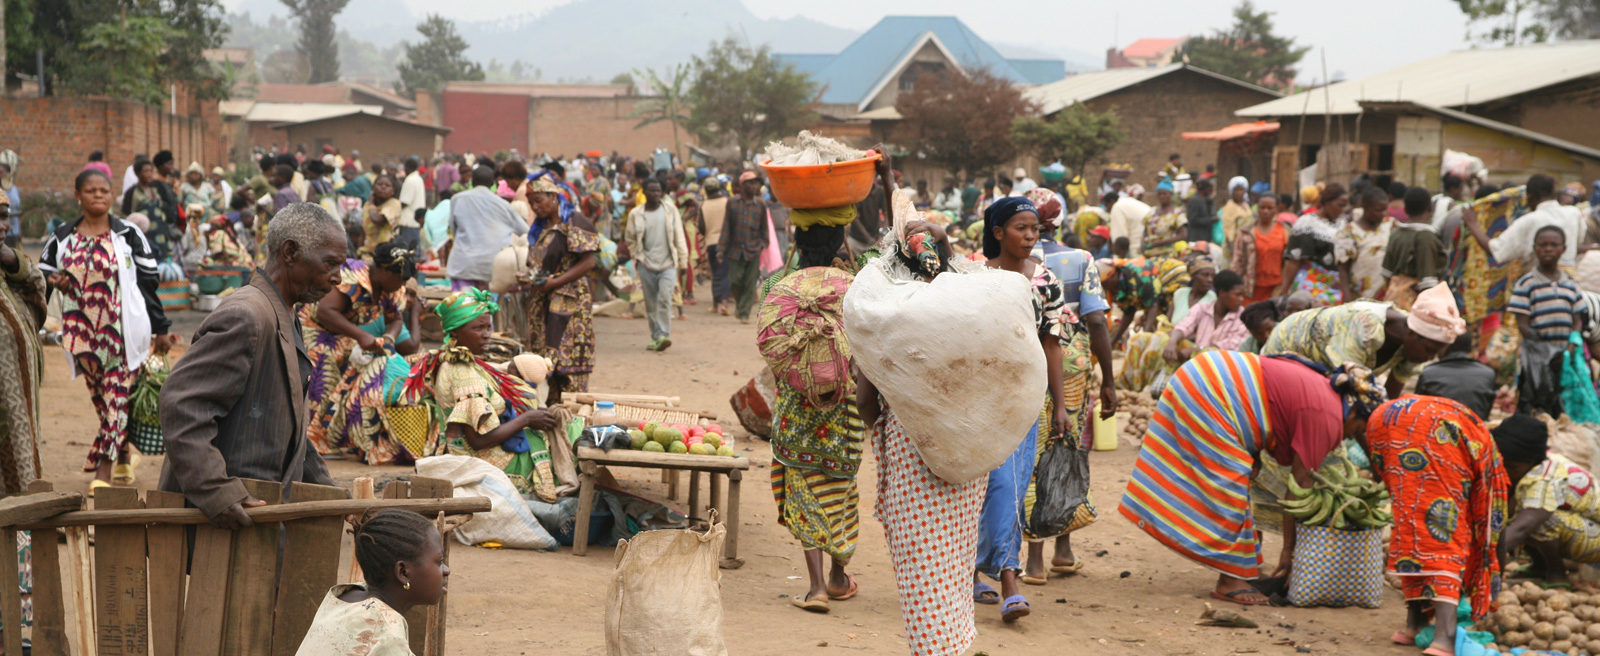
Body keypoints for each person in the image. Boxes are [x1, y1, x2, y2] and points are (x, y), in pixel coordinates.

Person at [1120, 352, 1386, 606]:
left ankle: (1240, 568)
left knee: (1242, 475)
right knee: (1230, 483)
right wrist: (1289, 552)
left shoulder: (1322, 389)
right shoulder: (1327, 417)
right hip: (1211, 390)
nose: (1352, 437)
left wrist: (1254, 451)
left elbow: (1268, 399)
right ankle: (1231, 582)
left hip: (1207, 374)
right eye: (1359, 429)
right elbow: (1297, 490)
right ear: (1354, 413)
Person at [158, 202, 342, 529]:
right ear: (290, 253)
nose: (337, 277)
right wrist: (216, 490)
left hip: (258, 508)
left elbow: (290, 427)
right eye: (330, 263)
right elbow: (182, 403)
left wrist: (328, 491)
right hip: (226, 519)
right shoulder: (247, 316)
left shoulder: (283, 313)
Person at [855, 215, 988, 655]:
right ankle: (953, 643)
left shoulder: (889, 312)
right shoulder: (972, 306)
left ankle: (934, 649)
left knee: (921, 569)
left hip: (912, 452)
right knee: (953, 560)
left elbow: (866, 401)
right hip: (969, 450)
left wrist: (894, 427)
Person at [40, 170, 173, 492]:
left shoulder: (127, 235)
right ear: (78, 195)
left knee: (116, 399)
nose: (98, 195)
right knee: (104, 401)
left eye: (103, 190)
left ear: (111, 195)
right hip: (81, 336)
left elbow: (147, 284)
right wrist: (53, 286)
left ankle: (104, 470)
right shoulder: (62, 237)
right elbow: (40, 282)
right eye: (90, 190)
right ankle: (124, 452)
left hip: (121, 335)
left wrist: (161, 328)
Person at [970, 196, 1068, 624]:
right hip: (974, 398)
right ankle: (970, 570)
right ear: (997, 233)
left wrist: (1060, 404)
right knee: (974, 487)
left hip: (1023, 399)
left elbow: (1052, 346)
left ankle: (1009, 579)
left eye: (1035, 230)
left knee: (1009, 486)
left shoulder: (1045, 282)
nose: (1031, 236)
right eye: (1021, 229)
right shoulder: (971, 277)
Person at [1021, 189, 1118, 586]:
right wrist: (1109, 380)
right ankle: (1061, 550)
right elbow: (1096, 321)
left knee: (1032, 453)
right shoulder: (1081, 260)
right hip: (1072, 364)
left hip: (1027, 359)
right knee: (1067, 449)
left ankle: (1035, 560)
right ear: (1060, 222)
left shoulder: (1015, 259)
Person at [1364, 394, 1506, 654]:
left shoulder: (1477, 434)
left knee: (1413, 526)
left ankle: (1415, 624)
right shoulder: (1487, 454)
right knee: (1442, 533)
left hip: (1383, 421)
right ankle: (1445, 637)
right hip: (1435, 429)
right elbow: (1491, 533)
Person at [408, 289, 559, 492]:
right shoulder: (463, 374)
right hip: (485, 462)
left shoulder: (453, 360)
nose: (487, 335)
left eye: (489, 327)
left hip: (462, 454)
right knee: (567, 437)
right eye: (479, 328)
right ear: (455, 331)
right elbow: (479, 440)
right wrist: (527, 419)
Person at [302, 242, 418, 462]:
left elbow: (396, 319)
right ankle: (314, 440)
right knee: (326, 369)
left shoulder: (391, 289)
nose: (403, 284)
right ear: (383, 270)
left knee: (361, 368)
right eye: (400, 278)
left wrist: (389, 337)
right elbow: (326, 312)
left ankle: (336, 434)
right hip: (316, 329)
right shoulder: (354, 279)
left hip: (344, 333)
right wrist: (360, 336)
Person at [1263, 282, 1456, 400]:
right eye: (1429, 350)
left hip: (1322, 370)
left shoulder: (1412, 350)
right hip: (1287, 354)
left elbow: (1388, 397)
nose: (1429, 358)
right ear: (1414, 334)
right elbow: (1351, 392)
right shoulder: (1363, 326)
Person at [295, 509, 448, 656]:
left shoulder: (344, 596)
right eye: (439, 561)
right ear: (403, 572)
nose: (446, 570)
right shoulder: (386, 632)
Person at [523, 171, 600, 405]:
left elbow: (589, 262)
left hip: (570, 301)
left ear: (554, 197)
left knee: (570, 363)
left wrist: (555, 282)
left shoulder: (574, 222)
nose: (535, 206)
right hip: (544, 301)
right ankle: (553, 408)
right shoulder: (541, 228)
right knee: (548, 365)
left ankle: (572, 416)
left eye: (539, 200)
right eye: (531, 202)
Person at [1498, 415, 1600, 584]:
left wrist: (1485, 558)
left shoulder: (1546, 479)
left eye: (1511, 467)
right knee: (1515, 507)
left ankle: (1557, 574)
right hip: (1583, 526)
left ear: (1529, 461)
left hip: (1595, 536)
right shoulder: (1534, 462)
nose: (1505, 471)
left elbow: (1521, 528)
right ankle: (1540, 567)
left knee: (1538, 520)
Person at [1507, 225, 1590, 417]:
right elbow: (1523, 325)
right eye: (1543, 245)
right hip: (1538, 356)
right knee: (1538, 399)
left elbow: (1577, 320)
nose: (1548, 249)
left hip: (1566, 354)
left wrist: (1571, 345)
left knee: (1564, 402)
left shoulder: (1570, 284)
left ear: (1563, 248)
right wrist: (1547, 352)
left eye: (1554, 245)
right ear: (1535, 248)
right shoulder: (1526, 284)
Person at [0, 201, 45, 495]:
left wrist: (13, 262)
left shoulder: (9, 272)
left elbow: (37, 288)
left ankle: (21, 543)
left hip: (18, 426)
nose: (2, 225)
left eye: (3, 217)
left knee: (22, 510)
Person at [1463, 174, 1587, 268]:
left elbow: (1496, 250)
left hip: (1540, 286)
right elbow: (1578, 241)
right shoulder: (1574, 213)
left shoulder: (1529, 221)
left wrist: (1472, 224)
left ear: (1529, 197)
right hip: (1570, 282)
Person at [626, 179, 687, 351]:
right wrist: (636, 255)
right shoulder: (636, 214)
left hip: (668, 264)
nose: (655, 194)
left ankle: (664, 335)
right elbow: (630, 238)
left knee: (665, 299)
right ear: (644, 193)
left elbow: (679, 236)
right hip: (646, 264)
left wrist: (683, 261)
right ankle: (655, 336)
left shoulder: (670, 210)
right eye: (652, 191)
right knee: (651, 303)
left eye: (658, 191)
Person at [447, 166, 526, 291]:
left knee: (464, 307)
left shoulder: (457, 199)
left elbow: (453, 230)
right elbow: (524, 231)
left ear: (472, 181)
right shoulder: (503, 205)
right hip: (491, 267)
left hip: (463, 264)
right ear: (493, 183)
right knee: (487, 307)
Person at [1278, 183, 1348, 304]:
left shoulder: (1344, 224)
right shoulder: (1306, 223)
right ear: (1326, 202)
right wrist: (1284, 290)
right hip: (1311, 282)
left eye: (1344, 207)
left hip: (1337, 285)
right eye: (1339, 205)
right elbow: (1294, 260)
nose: (1342, 210)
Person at [1164, 269, 1249, 363]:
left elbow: (1226, 348)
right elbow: (1184, 326)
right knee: (1160, 339)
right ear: (1222, 293)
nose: (1241, 300)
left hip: (1223, 366)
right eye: (1237, 295)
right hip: (1196, 363)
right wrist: (1172, 342)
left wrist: (1194, 351)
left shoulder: (1244, 317)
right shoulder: (1202, 309)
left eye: (1242, 295)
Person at [721, 171, 770, 322]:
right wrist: (721, 249)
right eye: (750, 183)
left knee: (750, 283)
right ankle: (739, 304)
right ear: (742, 186)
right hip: (735, 250)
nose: (754, 186)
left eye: (756, 183)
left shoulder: (760, 205)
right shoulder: (732, 203)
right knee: (735, 281)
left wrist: (763, 243)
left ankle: (744, 313)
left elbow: (764, 227)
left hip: (754, 249)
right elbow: (726, 227)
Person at [1415, 333, 1497, 420]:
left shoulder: (1429, 373)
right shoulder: (1488, 374)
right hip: (1473, 430)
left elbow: (1417, 411)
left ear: (1445, 346)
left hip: (1435, 430)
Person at [1335, 186, 1394, 301]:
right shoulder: (1349, 232)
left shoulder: (1391, 225)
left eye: (1385, 209)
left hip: (1388, 295)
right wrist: (1347, 300)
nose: (1383, 213)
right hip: (1360, 296)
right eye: (1378, 210)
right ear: (1365, 207)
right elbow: (1343, 269)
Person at [1232, 193, 1289, 304]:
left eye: (1269, 208)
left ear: (1276, 209)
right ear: (1257, 208)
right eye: (1262, 208)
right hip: (1250, 288)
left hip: (1276, 288)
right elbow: (1237, 260)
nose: (1265, 211)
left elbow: (1289, 261)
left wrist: (1286, 287)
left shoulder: (1284, 231)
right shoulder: (1246, 232)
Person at [121, 159, 180, 228]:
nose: (149, 174)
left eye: (151, 171)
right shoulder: (132, 192)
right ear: (138, 173)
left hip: (158, 231)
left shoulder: (155, 189)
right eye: (146, 171)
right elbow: (127, 214)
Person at [702, 180, 731, 314]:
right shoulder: (727, 202)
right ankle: (724, 303)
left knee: (715, 273)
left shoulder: (704, 205)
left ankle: (715, 305)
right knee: (724, 272)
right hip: (725, 243)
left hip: (711, 243)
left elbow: (701, 227)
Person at [1142, 180, 1186, 258]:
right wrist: (1143, 244)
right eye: (1159, 194)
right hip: (1149, 253)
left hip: (1167, 254)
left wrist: (1162, 242)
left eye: (1165, 193)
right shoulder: (1152, 212)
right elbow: (1145, 231)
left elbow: (1183, 235)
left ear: (1171, 194)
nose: (1162, 196)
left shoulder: (1177, 213)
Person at [361, 175, 402, 256]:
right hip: (367, 251)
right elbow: (363, 230)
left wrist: (372, 204)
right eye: (379, 184)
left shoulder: (394, 203)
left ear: (393, 191)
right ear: (373, 188)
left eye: (387, 185)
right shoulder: (367, 205)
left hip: (386, 254)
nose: (383, 187)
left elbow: (377, 219)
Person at [1170, 255, 1215, 325]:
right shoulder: (1180, 293)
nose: (1210, 280)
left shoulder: (1212, 298)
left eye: (1213, 276)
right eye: (1205, 275)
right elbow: (1167, 321)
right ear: (1193, 276)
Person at [1109, 184, 1151, 256]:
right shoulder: (1145, 206)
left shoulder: (1118, 206)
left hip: (1133, 254)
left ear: (1111, 202)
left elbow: (1119, 237)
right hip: (1148, 250)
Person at [396, 157, 426, 251]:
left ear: (407, 168)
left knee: (407, 250)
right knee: (414, 251)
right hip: (415, 221)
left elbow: (405, 201)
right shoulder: (418, 179)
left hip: (408, 221)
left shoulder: (410, 180)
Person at [1220, 176, 1253, 253]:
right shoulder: (1229, 207)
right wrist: (1234, 252)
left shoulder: (1246, 205)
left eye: (1241, 190)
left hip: (1247, 244)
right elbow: (1229, 232)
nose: (1239, 193)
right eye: (1236, 190)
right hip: (1234, 246)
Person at [1185, 178, 1216, 245]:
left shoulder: (1207, 200)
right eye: (1209, 188)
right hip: (1196, 238)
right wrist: (1210, 220)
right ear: (1205, 189)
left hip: (1206, 237)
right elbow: (1192, 220)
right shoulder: (1194, 200)